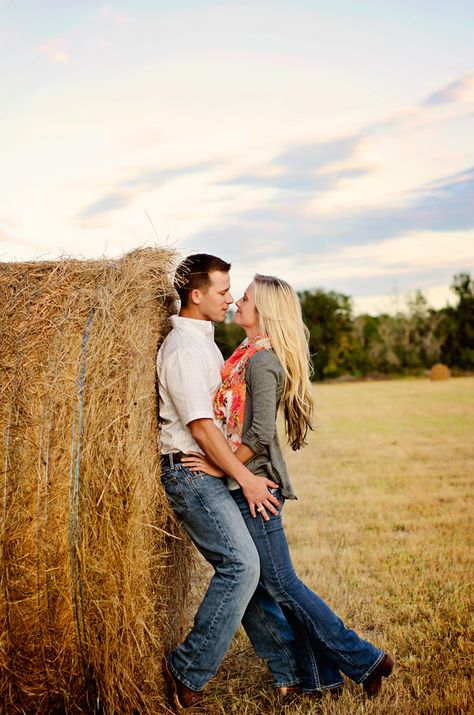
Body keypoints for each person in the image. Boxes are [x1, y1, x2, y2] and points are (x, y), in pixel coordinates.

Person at [183, 273, 394, 698]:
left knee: (282, 585)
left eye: (243, 298)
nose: (236, 303)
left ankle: (366, 659)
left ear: (264, 311)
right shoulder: (245, 353)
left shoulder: (262, 361)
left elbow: (258, 433)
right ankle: (321, 681)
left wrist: (219, 465)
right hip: (246, 481)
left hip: (256, 485)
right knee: (271, 584)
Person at [157, 255, 303, 710]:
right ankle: (188, 668)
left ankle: (289, 670)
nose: (230, 298)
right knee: (242, 565)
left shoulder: (209, 346)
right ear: (196, 295)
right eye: (223, 291)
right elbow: (201, 428)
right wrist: (245, 478)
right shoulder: (182, 349)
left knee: (252, 567)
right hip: (189, 473)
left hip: (210, 469)